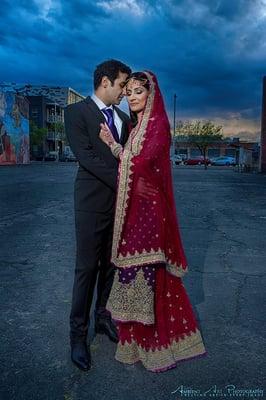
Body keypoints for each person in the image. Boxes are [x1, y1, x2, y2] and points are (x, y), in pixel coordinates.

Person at [99, 71, 206, 372]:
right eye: (129, 92)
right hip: (137, 211)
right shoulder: (136, 128)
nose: (132, 97)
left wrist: (111, 145)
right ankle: (133, 342)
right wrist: (114, 144)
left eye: (138, 92)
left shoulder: (158, 125)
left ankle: (155, 344)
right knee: (134, 272)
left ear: (152, 95)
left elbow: (140, 162)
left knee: (147, 274)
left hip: (149, 214)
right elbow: (132, 160)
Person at [64, 59, 131, 371]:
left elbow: (130, 157)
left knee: (111, 267)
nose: (124, 93)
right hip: (91, 204)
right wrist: (125, 181)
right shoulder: (76, 113)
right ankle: (78, 336)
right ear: (105, 82)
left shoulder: (122, 117)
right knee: (87, 269)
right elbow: (87, 157)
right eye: (121, 85)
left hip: (119, 206)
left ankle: (102, 317)